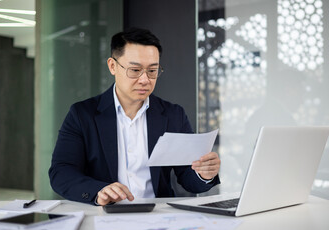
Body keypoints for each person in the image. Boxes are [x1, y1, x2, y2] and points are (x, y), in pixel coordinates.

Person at [49, 27, 221, 206]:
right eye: (135, 70)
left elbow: (187, 176)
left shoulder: (172, 115)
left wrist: (204, 174)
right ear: (112, 66)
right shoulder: (82, 115)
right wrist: (97, 191)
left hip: (157, 217)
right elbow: (61, 173)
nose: (145, 79)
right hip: (104, 216)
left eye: (152, 71)